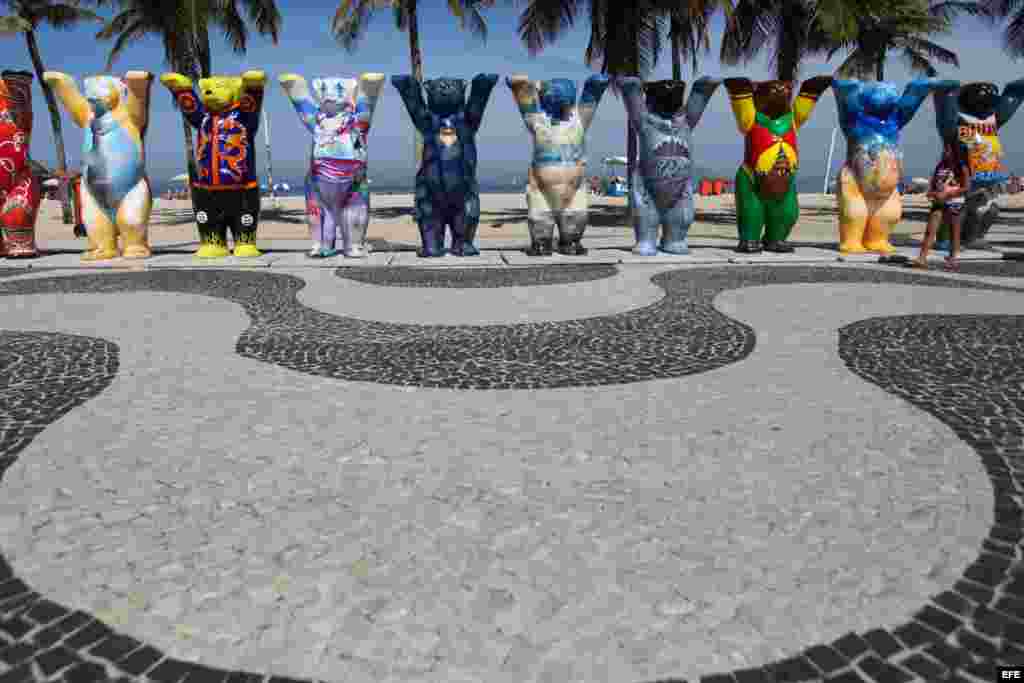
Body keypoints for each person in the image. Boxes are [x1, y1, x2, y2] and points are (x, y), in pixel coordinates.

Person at [911, 142, 967, 271]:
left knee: (954, 232)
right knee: (930, 230)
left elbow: (966, 187)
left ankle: (952, 258)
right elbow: (933, 182)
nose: (945, 153)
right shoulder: (940, 165)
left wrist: (949, 194)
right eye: (944, 150)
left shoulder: (961, 167)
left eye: (948, 151)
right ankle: (922, 258)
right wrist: (932, 193)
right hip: (938, 201)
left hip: (955, 202)